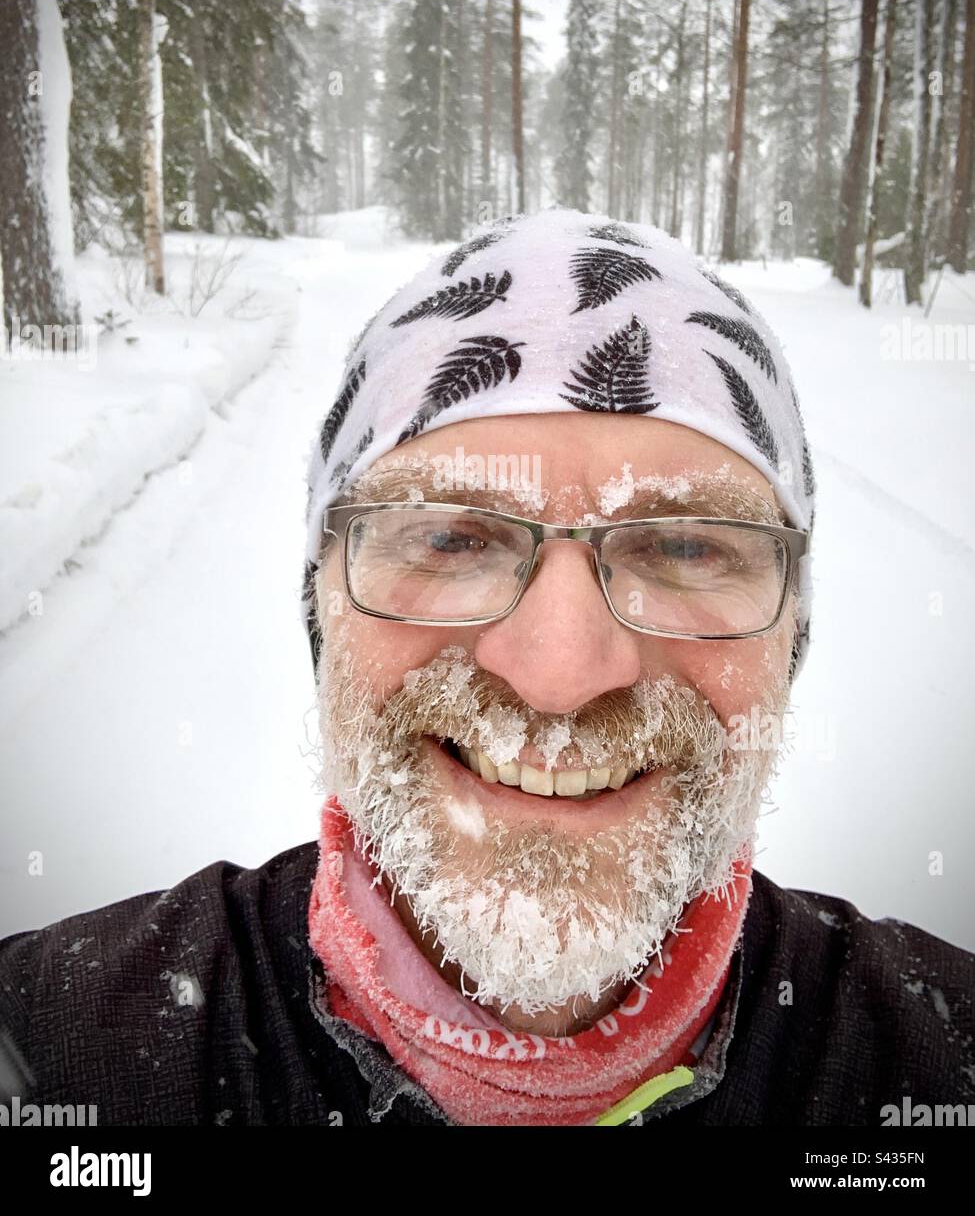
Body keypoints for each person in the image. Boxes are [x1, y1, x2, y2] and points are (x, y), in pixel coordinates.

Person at [2, 208, 973, 1128]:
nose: (560, 672)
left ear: (791, 634)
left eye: (684, 547)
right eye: (454, 537)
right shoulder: (52, 1054)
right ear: (322, 612)